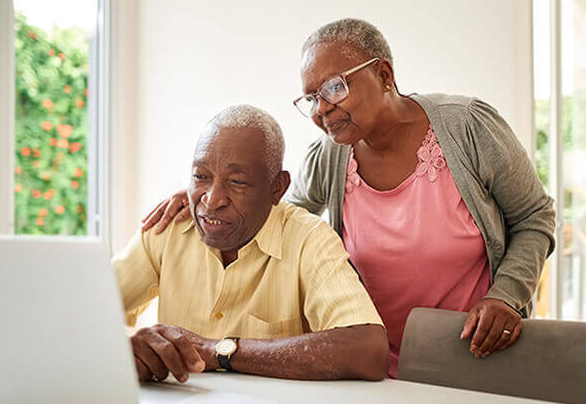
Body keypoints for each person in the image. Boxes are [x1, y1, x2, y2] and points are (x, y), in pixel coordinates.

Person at [143, 19, 555, 378]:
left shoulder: (468, 128)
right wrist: (211, 188)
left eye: (334, 88)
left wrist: (506, 295)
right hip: (366, 363)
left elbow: (535, 217)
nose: (322, 109)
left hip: (472, 353)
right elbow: (278, 212)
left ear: (384, 74)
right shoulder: (331, 155)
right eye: (311, 98)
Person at [113, 104, 388, 384]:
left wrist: (218, 351)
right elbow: (82, 315)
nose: (211, 199)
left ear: (277, 188)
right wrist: (133, 343)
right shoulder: (166, 229)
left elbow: (368, 350)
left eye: (237, 182)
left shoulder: (309, 239)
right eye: (200, 177)